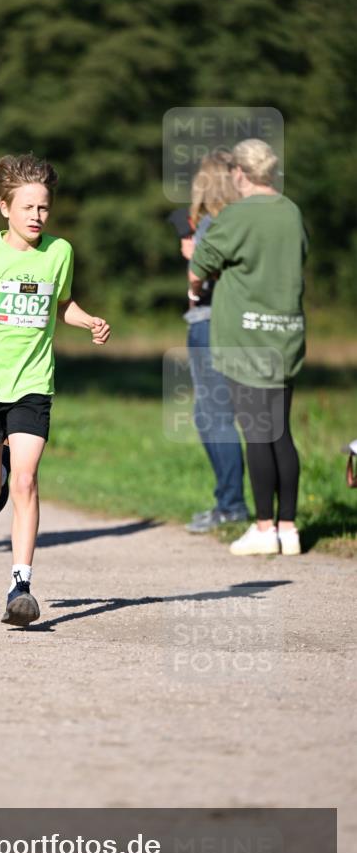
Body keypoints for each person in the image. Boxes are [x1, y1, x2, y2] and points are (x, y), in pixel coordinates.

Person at [0, 153, 110, 626]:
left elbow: (62, 304)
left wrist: (87, 319)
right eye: (27, 207)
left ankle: (20, 585)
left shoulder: (60, 252)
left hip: (32, 383)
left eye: (44, 208)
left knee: (28, 480)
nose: (36, 216)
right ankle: (0, 468)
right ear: (5, 208)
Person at [189, 139, 307, 556]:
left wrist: (194, 288)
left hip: (245, 339)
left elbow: (200, 265)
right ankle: (288, 528)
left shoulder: (236, 215)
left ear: (240, 173)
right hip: (287, 334)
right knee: (281, 433)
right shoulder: (291, 211)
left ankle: (262, 527)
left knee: (257, 434)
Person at [179, 151, 249, 533]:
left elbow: (201, 281)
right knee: (229, 415)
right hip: (241, 327)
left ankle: (231, 504)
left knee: (213, 416)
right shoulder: (245, 223)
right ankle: (234, 502)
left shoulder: (210, 225)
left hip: (208, 323)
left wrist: (193, 258)